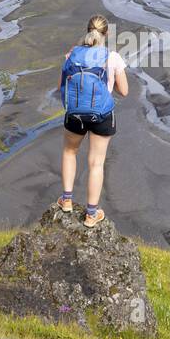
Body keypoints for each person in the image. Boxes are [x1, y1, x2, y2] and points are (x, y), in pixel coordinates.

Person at [58, 15, 128, 227]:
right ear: (106, 34)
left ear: (87, 30)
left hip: (75, 113)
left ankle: (67, 201)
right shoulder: (112, 57)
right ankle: (91, 214)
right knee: (96, 163)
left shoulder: (72, 55)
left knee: (70, 152)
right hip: (102, 115)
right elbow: (124, 91)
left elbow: (61, 86)